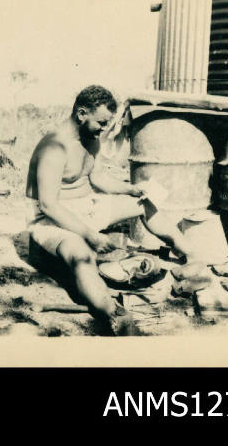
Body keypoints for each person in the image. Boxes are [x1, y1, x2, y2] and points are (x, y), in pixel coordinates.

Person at [26, 85, 198, 334]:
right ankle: (114, 313)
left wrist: (130, 189)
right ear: (82, 113)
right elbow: (48, 204)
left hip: (85, 207)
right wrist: (90, 235)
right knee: (81, 254)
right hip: (49, 220)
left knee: (143, 203)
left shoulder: (90, 139)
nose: (105, 128)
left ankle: (190, 255)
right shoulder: (54, 147)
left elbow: (98, 179)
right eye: (101, 122)